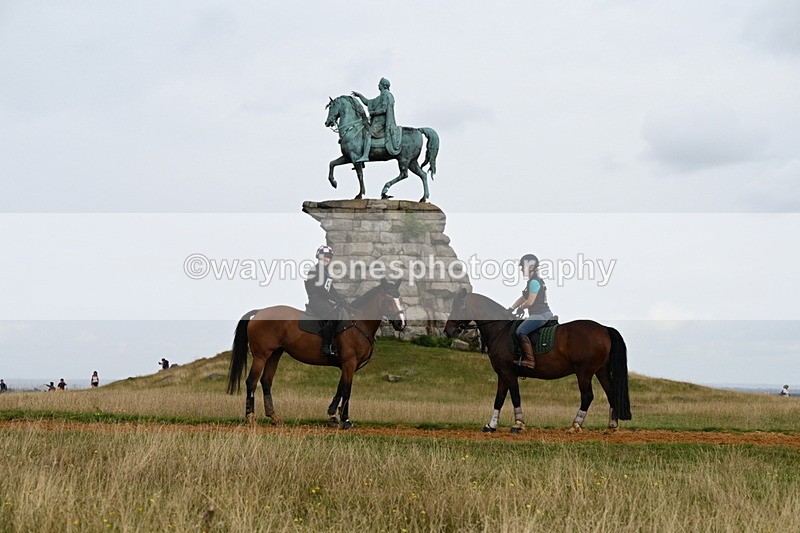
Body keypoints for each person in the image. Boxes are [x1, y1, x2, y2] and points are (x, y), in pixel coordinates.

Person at [509, 254, 554, 370]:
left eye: (522, 267)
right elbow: (523, 298)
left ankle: (530, 360)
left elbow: (530, 302)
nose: (521, 269)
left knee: (520, 331)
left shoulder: (534, 282)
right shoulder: (533, 282)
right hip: (541, 314)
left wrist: (521, 308)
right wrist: (511, 308)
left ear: (530, 267)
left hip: (540, 315)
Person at [305, 245, 348, 357]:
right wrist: (334, 299)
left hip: (323, 299)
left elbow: (331, 289)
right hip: (316, 299)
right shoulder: (315, 270)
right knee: (333, 317)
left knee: (339, 314)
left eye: (328, 257)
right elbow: (321, 289)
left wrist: (340, 299)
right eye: (324, 257)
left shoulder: (326, 272)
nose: (326, 259)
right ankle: (325, 347)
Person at [351, 77, 402, 161]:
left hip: (381, 122)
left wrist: (373, 113)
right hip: (377, 121)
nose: (378, 85)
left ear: (383, 85)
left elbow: (384, 109)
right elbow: (368, 102)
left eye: (379, 83)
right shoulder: (381, 96)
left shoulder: (386, 95)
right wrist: (359, 96)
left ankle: (365, 156)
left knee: (368, 134)